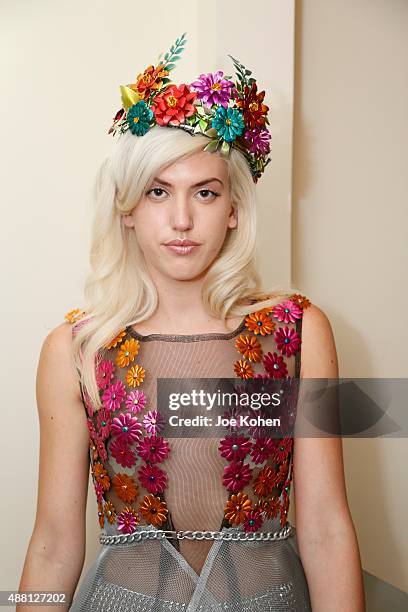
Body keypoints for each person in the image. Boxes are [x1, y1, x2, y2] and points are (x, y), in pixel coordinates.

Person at [18, 34, 365, 611]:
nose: (181, 219)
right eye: (158, 192)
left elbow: (326, 526)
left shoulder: (297, 333)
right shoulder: (76, 350)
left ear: (233, 209)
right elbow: (53, 544)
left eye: (204, 193)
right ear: (128, 210)